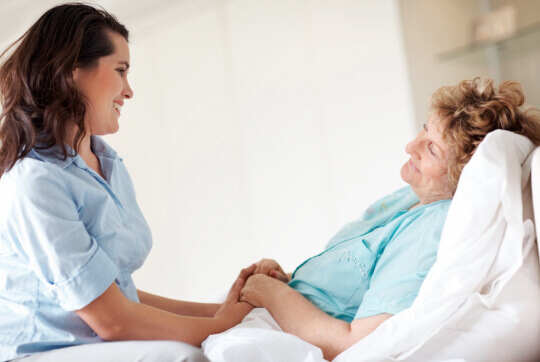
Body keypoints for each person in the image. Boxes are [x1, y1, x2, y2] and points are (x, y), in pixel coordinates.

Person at [0, 4, 254, 362]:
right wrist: (223, 322)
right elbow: (112, 320)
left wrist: (223, 310)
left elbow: (120, 297)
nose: (129, 90)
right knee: (184, 356)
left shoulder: (107, 165)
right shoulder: (33, 181)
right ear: (71, 71)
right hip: (39, 351)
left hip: (93, 343)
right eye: (120, 70)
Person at [237, 78, 540, 361]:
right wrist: (286, 280)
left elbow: (356, 344)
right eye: (424, 129)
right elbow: (350, 286)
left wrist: (270, 292)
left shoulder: (431, 230)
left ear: (462, 176)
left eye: (431, 149)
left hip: (277, 329)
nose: (411, 147)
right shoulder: (409, 197)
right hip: (270, 312)